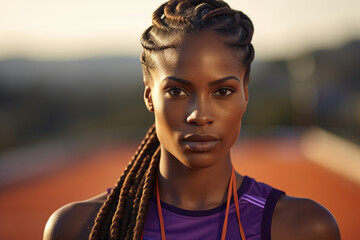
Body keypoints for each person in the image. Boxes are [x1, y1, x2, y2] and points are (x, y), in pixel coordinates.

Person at [43, 0, 341, 239]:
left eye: (223, 90)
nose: (199, 115)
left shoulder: (304, 228)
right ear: (149, 96)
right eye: (177, 91)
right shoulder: (80, 228)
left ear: (245, 92)